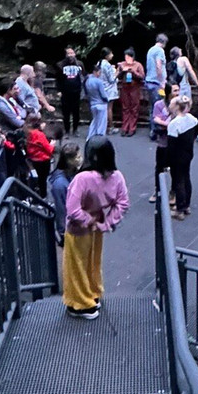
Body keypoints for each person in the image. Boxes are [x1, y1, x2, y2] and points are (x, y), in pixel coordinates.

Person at [63, 137, 129, 319]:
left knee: (76, 265)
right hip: (98, 224)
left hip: (79, 229)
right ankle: (94, 293)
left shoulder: (82, 179)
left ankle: (81, 304)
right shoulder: (117, 177)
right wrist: (106, 222)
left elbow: (72, 209)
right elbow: (123, 203)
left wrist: (87, 220)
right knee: (93, 261)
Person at [166, 96, 198, 220]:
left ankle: (180, 208)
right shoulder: (192, 119)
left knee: (178, 180)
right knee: (186, 177)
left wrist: (167, 161)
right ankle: (186, 205)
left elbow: (171, 145)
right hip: (188, 152)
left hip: (177, 155)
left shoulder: (174, 124)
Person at [49, 142, 82, 247]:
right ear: (69, 161)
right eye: (77, 157)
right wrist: (63, 232)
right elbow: (61, 209)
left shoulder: (73, 172)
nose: (80, 159)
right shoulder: (60, 184)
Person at [56, 47, 85, 136]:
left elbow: (83, 76)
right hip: (65, 92)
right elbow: (58, 79)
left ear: (75, 54)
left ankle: (75, 129)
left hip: (76, 91)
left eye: (72, 53)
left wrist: (83, 89)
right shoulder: (60, 65)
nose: (70, 55)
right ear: (66, 55)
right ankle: (67, 130)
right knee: (66, 112)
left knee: (76, 112)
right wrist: (59, 90)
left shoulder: (79, 64)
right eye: (68, 53)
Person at [24, 114, 55, 197]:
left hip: (33, 159)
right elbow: (49, 149)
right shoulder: (39, 135)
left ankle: (36, 194)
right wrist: (52, 144)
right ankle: (43, 197)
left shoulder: (27, 132)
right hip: (43, 160)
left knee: (37, 178)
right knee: (43, 180)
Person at [149, 88, 171, 204]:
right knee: (159, 167)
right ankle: (158, 190)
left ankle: (173, 192)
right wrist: (168, 124)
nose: (178, 93)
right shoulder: (159, 104)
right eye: (175, 91)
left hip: (175, 142)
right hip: (163, 141)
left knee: (175, 169)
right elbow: (155, 119)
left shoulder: (179, 104)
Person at [116, 48, 145, 136]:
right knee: (125, 108)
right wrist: (122, 71)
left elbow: (142, 76)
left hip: (134, 88)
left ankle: (132, 128)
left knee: (134, 108)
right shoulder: (122, 65)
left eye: (128, 57)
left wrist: (133, 72)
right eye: (126, 56)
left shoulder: (138, 65)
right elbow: (116, 76)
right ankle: (125, 127)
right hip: (125, 88)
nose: (127, 58)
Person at [145, 34, 169, 140]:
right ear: (164, 42)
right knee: (159, 107)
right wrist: (162, 81)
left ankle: (152, 128)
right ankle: (156, 131)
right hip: (156, 83)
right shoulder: (160, 51)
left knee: (152, 107)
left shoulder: (150, 50)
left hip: (149, 81)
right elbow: (159, 65)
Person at [84, 63, 109, 139]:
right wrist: (107, 99)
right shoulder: (98, 81)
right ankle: (100, 138)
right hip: (101, 104)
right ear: (95, 71)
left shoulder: (87, 81)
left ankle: (90, 137)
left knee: (94, 122)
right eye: (99, 72)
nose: (99, 74)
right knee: (102, 123)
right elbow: (103, 95)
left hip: (93, 104)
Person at [99, 48, 119, 133]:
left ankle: (103, 126)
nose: (112, 55)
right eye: (111, 54)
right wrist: (117, 71)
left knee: (104, 108)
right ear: (107, 56)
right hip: (109, 89)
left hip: (102, 88)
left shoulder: (100, 63)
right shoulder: (106, 64)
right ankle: (110, 127)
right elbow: (111, 79)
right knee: (109, 108)